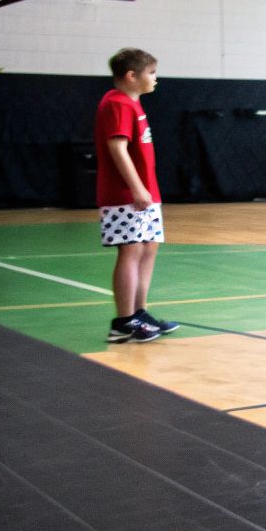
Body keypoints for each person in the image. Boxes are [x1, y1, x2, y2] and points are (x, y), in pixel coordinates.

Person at [95, 48, 176, 344]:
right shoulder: (117, 104)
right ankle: (123, 321)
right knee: (130, 251)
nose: (155, 78)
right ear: (132, 76)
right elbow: (117, 148)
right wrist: (137, 187)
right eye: (151, 73)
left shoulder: (134, 104)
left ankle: (139, 313)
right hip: (125, 194)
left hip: (146, 192)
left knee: (148, 249)